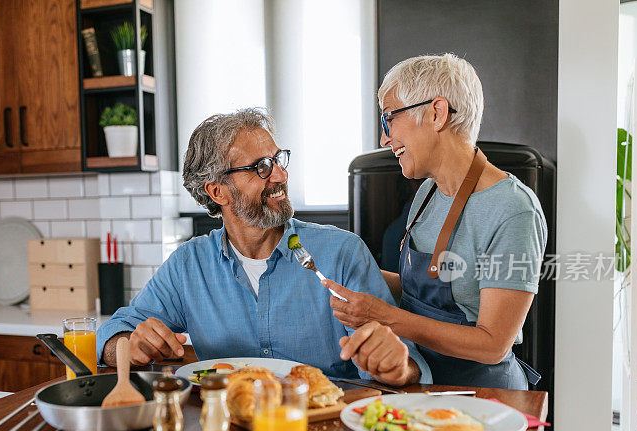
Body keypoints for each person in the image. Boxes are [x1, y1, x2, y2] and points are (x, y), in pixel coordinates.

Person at [96, 108, 431, 386]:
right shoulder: (188, 265)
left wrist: (396, 366)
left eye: (277, 160)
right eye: (261, 168)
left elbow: (406, 362)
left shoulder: (341, 253)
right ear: (217, 192)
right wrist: (128, 345)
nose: (280, 175)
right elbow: (111, 332)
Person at [322, 54, 546, 390]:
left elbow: (492, 344)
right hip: (423, 383)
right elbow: (424, 292)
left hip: (484, 396)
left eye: (389, 119)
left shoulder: (512, 209)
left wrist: (385, 317)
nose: (385, 139)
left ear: (436, 113)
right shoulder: (428, 192)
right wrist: (349, 270)